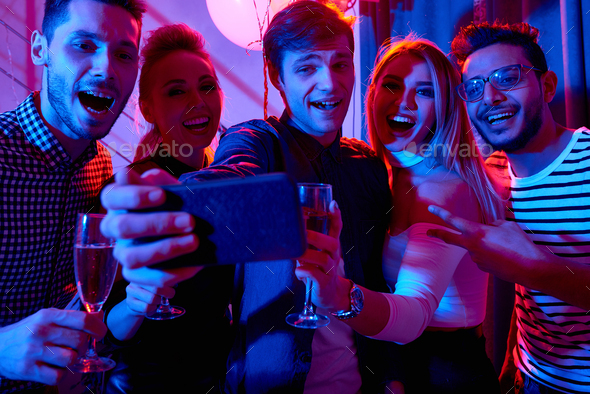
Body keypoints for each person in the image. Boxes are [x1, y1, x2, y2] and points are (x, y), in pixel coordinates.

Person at [101, 1, 393, 392]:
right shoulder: (255, 139)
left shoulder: (368, 166)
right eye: (307, 67)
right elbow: (234, 174)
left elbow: (381, 281)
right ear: (277, 77)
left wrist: (392, 377)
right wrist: (177, 197)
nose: (330, 82)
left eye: (340, 63)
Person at [295, 37, 503, 393]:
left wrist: (336, 293)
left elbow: (414, 317)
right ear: (372, 92)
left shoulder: (445, 190)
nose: (402, 102)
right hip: (399, 363)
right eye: (391, 85)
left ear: (444, 108)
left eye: (424, 92)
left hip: (448, 372)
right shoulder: (384, 174)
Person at [424, 21, 590, 394]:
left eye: (507, 77)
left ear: (547, 87)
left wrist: (537, 269)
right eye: (475, 87)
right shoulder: (494, 178)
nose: (491, 96)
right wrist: (512, 367)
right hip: (529, 377)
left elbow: (534, 276)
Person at [0, 0, 144, 392]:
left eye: (123, 54)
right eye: (83, 45)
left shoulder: (101, 166)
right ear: (39, 49)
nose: (106, 69)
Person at [100, 23, 234, 393]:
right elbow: (108, 325)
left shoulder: (222, 178)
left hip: (219, 378)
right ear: (147, 108)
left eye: (207, 86)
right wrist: (136, 302)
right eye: (177, 91)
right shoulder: (136, 189)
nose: (198, 101)